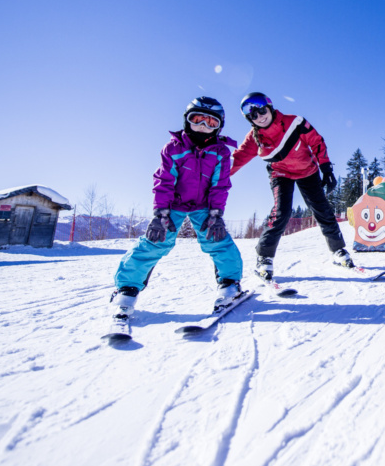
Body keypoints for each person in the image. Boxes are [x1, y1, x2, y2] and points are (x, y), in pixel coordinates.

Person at [109, 97, 244, 321]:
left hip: (204, 205)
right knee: (156, 241)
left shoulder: (220, 151)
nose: (203, 126)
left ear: (219, 126)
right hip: (174, 204)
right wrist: (161, 213)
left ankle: (230, 284)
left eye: (211, 122)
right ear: (186, 120)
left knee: (217, 240)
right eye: (197, 119)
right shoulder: (173, 148)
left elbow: (220, 184)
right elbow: (164, 181)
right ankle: (126, 289)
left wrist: (216, 214)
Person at [231, 92, 352, 281]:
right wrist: (213, 178)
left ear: (270, 108)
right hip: (280, 173)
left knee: (321, 208)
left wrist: (326, 168)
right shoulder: (254, 139)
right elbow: (236, 160)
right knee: (281, 212)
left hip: (307, 170)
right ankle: (264, 257)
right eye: (253, 116)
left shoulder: (294, 123)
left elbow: (316, 141)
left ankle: (338, 250)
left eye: (262, 111)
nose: (260, 117)